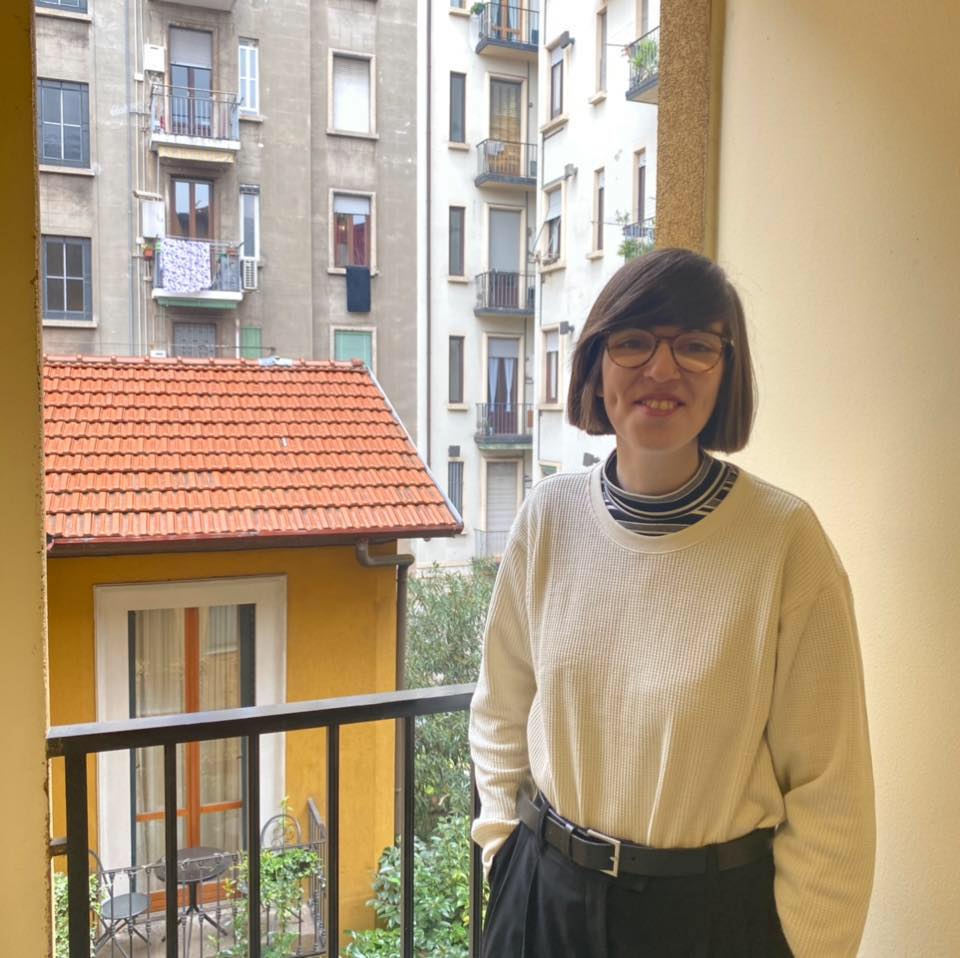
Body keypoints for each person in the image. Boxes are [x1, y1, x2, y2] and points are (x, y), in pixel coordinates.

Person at [469, 249, 875, 957]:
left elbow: (830, 789)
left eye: (694, 346)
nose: (662, 370)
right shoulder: (548, 518)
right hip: (542, 897)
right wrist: (502, 852)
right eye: (633, 342)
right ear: (596, 366)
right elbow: (501, 707)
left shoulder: (785, 542)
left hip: (707, 919)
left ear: (727, 370)